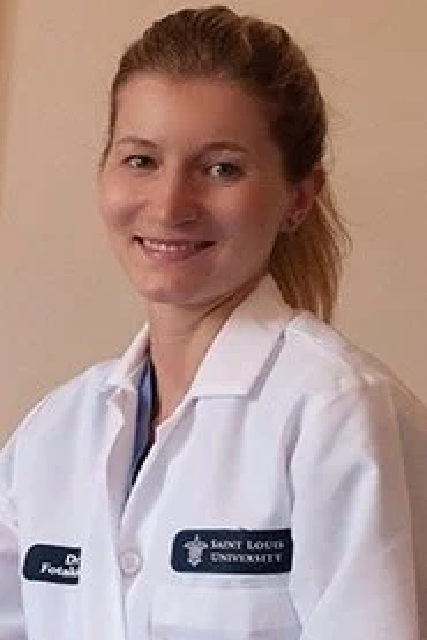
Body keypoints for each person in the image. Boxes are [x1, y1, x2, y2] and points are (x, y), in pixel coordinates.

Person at [0, 5, 426, 639]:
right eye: (141, 160)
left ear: (299, 197)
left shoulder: (337, 410)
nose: (170, 205)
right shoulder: (53, 434)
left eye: (221, 168)